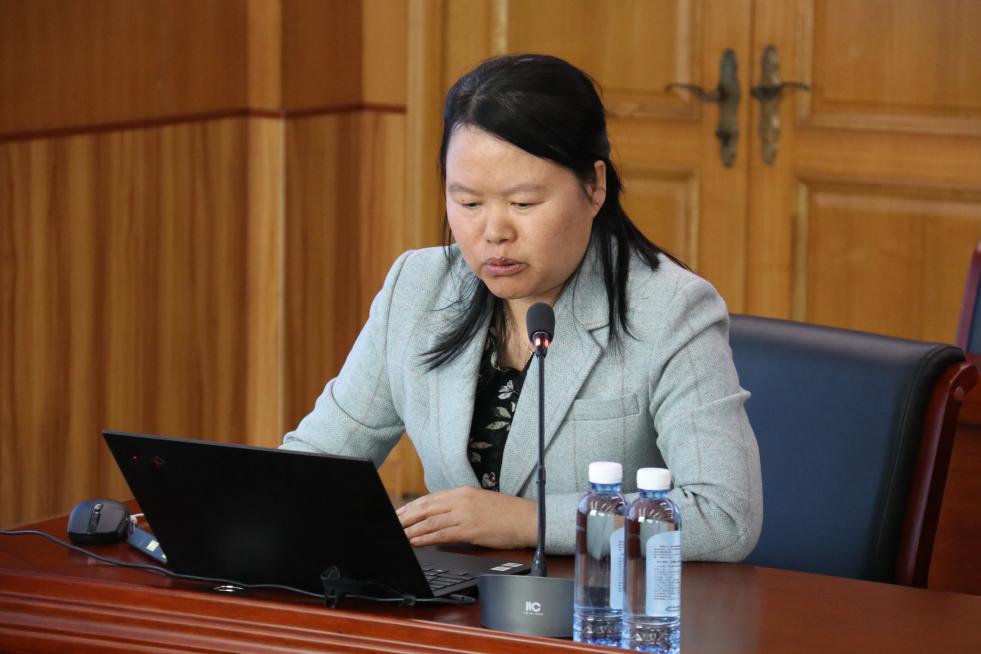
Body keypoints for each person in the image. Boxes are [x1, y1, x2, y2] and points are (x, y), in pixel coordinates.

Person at [281, 54, 762, 560]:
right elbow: (317, 462)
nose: (494, 232)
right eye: (469, 203)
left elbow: (724, 516)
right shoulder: (418, 287)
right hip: (457, 596)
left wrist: (528, 521)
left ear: (594, 186)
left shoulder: (669, 309)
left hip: (593, 598)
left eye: (524, 203)